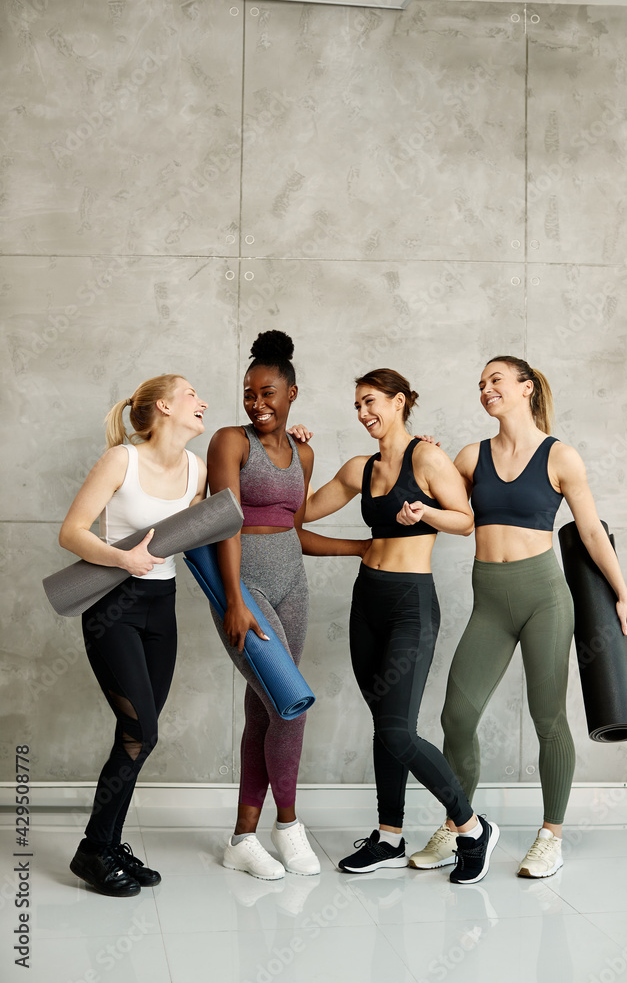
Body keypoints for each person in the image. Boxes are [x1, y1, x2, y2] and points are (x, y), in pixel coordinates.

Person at [410, 355, 627, 878]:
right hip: (490, 601)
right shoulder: (471, 456)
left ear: (526, 388)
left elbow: (592, 533)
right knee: (457, 717)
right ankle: (461, 824)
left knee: (548, 719)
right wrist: (429, 464)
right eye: (481, 383)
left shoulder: (561, 457)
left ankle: (549, 836)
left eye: (496, 380)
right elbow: (441, 504)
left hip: (545, 599)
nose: (486, 389)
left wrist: (622, 592)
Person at [301, 368, 500, 885]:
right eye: (358, 406)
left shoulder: (427, 457)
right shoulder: (359, 468)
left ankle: (472, 827)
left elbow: (466, 519)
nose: (365, 413)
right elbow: (298, 513)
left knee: (396, 728)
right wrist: (300, 457)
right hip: (367, 600)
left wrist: (427, 512)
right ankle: (390, 837)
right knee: (383, 726)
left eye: (372, 402)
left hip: (411, 604)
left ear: (399, 401)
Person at [207, 330, 369, 881]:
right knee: (289, 701)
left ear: (292, 393)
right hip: (245, 588)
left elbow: (296, 532)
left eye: (268, 392)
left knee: (267, 709)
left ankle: (242, 839)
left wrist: (362, 547)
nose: (257, 403)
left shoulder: (303, 451)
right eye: (249, 393)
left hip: (293, 587)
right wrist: (233, 598)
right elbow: (225, 520)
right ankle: (290, 825)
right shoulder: (231, 442)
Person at [61, 374, 208, 896]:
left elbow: (208, 528)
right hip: (112, 608)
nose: (203, 402)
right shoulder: (121, 460)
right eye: (193, 395)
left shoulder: (197, 469)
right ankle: (92, 850)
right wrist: (122, 558)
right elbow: (72, 530)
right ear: (164, 406)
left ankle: (108, 842)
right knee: (141, 732)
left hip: (161, 609)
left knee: (137, 738)